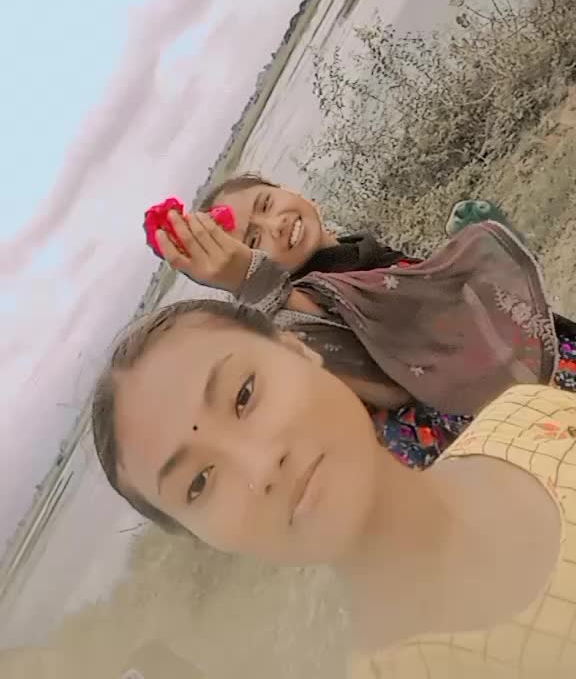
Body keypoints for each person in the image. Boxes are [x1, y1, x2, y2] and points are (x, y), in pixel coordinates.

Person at [91, 298, 576, 677]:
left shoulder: (528, 414)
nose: (261, 466)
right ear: (200, 536)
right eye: (199, 484)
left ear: (297, 351)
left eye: (244, 395)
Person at [153, 176, 575, 464]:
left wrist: (461, 257)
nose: (275, 225)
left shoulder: (354, 253)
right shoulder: (304, 303)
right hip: (511, 415)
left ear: (283, 188)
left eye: (266, 204)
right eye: (253, 240)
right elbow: (388, 386)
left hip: (523, 374)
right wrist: (252, 283)